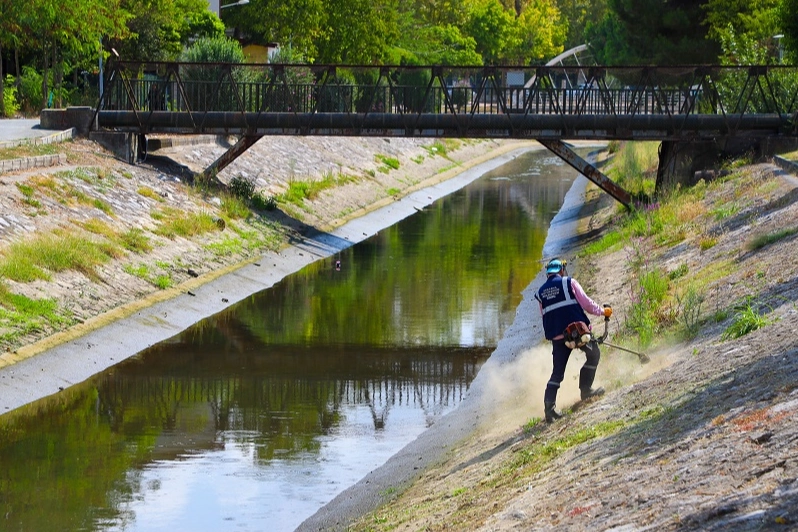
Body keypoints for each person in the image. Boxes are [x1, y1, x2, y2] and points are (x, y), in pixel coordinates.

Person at [534, 258, 612, 423]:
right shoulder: (569, 282)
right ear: (561, 270)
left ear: (548, 273)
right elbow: (587, 304)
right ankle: (586, 390)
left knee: (557, 373)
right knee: (593, 354)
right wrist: (603, 312)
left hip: (558, 337)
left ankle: (549, 410)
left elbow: (544, 316)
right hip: (578, 331)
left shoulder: (540, 293)